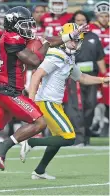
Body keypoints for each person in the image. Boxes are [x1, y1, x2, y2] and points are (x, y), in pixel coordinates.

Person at [0, 6, 87, 183]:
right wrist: (47, 44)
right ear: (14, 25)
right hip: (9, 92)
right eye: (25, 25)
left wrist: (69, 36)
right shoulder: (11, 38)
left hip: (6, 91)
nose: (29, 28)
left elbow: (47, 39)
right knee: (40, 122)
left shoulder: (18, 36)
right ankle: (3, 145)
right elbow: (35, 60)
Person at [18, 23, 109, 180]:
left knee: (58, 139)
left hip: (53, 103)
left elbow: (81, 77)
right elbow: (36, 75)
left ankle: (39, 171)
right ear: (64, 38)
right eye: (72, 39)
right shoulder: (56, 54)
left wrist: (103, 79)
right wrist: (30, 102)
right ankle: (30, 142)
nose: (74, 43)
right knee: (68, 137)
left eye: (77, 40)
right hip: (47, 102)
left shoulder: (68, 56)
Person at [64, 11, 106, 145]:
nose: (81, 23)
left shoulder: (94, 37)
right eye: (78, 20)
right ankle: (78, 138)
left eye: (83, 20)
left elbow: (100, 58)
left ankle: (86, 134)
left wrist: (105, 78)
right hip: (74, 76)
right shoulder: (68, 38)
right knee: (76, 107)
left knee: (91, 106)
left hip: (92, 77)